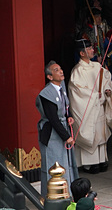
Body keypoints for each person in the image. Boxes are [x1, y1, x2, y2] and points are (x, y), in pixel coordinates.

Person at [68, 39, 112, 174]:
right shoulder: (77, 71)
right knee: (91, 132)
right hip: (88, 108)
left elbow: (106, 80)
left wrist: (107, 90)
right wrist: (94, 96)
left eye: (92, 48)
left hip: (99, 105)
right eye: (89, 49)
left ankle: (101, 160)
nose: (92, 50)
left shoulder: (97, 66)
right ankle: (89, 164)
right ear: (82, 53)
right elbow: (77, 91)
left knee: (100, 132)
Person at [37, 61, 78, 195]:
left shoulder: (62, 89)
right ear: (49, 76)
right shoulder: (46, 93)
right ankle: (52, 197)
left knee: (66, 163)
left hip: (62, 128)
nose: (60, 71)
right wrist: (66, 136)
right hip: (52, 133)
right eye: (56, 70)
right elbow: (53, 119)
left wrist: (68, 116)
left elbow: (65, 109)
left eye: (60, 69)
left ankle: (68, 193)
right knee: (54, 164)